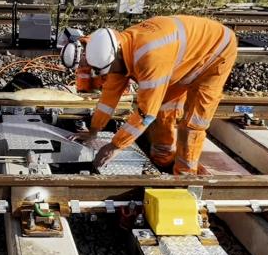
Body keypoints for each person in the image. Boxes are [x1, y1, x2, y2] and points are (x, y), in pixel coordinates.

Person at [62, 15, 237, 175]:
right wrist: (93, 131)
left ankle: (185, 176)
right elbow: (108, 99)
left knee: (193, 124)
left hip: (216, 52)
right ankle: (164, 159)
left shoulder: (149, 58)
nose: (108, 75)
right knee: (164, 108)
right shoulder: (121, 50)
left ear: (116, 57)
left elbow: (146, 113)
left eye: (108, 70)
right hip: (183, 58)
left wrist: (115, 146)